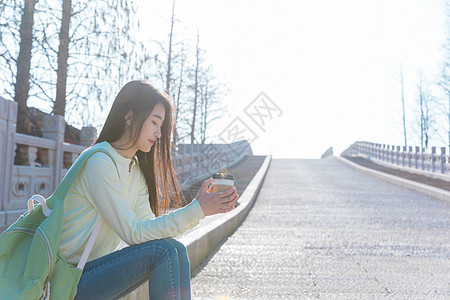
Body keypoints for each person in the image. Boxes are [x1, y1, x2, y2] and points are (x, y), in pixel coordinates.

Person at [59, 80, 239, 300]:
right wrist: (197, 210)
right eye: (154, 122)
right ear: (129, 117)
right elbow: (133, 233)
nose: (159, 133)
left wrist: (200, 208)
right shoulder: (100, 162)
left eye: (161, 126)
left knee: (175, 249)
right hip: (64, 280)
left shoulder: (134, 171)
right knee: (164, 252)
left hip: (87, 275)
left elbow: (147, 231)